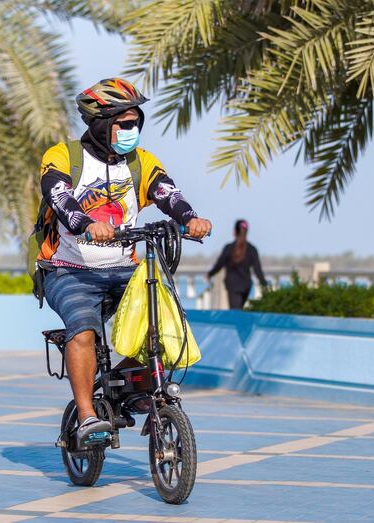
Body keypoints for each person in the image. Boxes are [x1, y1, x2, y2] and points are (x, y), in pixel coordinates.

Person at [36, 78, 212, 444]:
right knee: (83, 328)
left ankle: (130, 385)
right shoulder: (63, 157)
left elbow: (167, 192)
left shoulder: (140, 163)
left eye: (136, 122)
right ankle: (86, 416)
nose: (132, 130)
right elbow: (60, 199)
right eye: (124, 124)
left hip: (123, 271)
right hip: (68, 271)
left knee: (165, 328)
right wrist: (86, 223)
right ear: (101, 124)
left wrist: (189, 218)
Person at [207, 219, 266, 309]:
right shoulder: (252, 249)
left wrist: (210, 274)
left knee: (235, 312)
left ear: (234, 232)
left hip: (233, 285)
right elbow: (257, 270)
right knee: (239, 309)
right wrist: (264, 284)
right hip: (246, 286)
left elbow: (219, 264)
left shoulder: (229, 248)